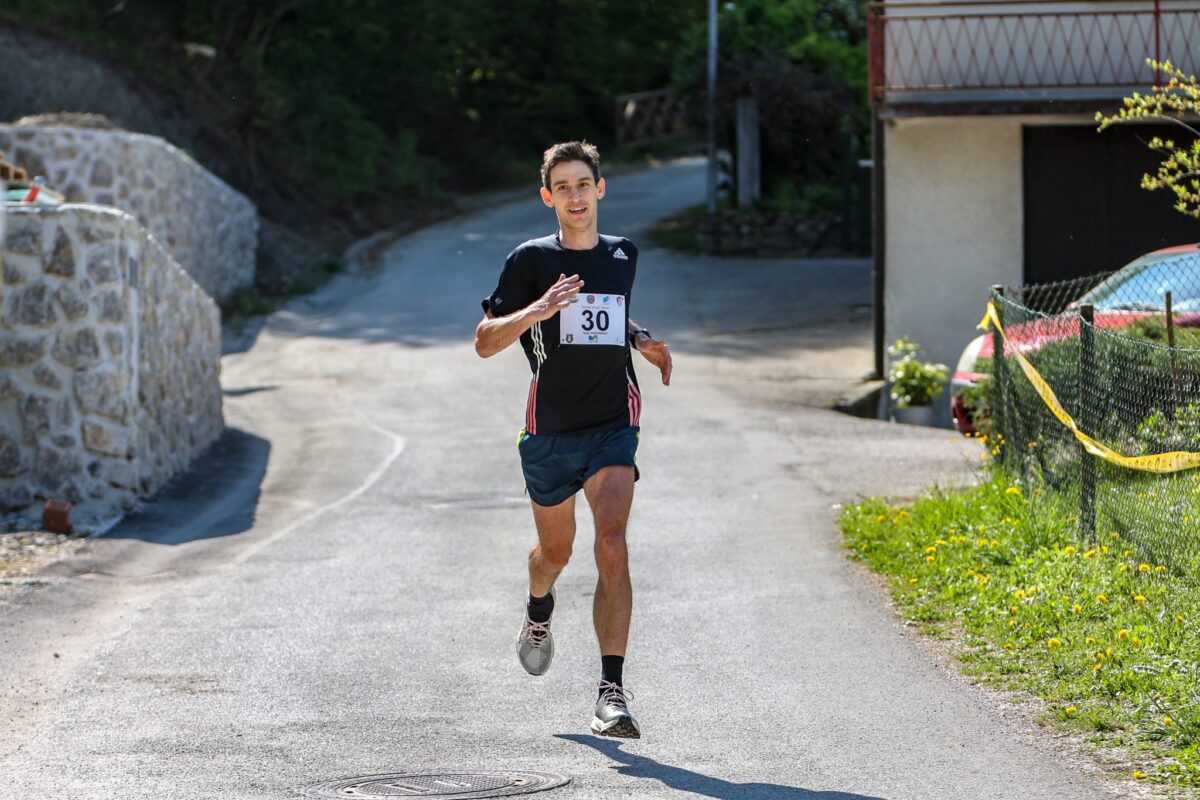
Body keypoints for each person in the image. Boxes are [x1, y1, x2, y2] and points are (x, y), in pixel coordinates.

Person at [475, 141, 672, 738]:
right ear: (548, 197)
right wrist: (538, 308)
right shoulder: (529, 261)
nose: (575, 196)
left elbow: (609, 311)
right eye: (562, 187)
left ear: (600, 188)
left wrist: (640, 339)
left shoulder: (622, 254)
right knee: (555, 556)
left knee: (611, 544)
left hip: (614, 422)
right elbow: (485, 340)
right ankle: (539, 606)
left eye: (583, 184)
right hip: (550, 430)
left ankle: (611, 692)